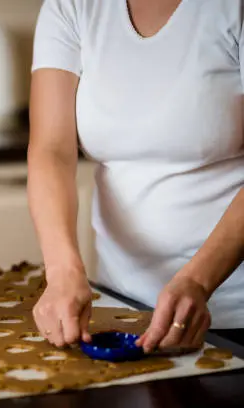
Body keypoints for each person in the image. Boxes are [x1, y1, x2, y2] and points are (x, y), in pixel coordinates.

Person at [28, 0, 244, 351]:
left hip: (234, 312)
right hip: (120, 304)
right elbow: (51, 149)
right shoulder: (71, 6)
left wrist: (199, 281)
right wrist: (62, 270)